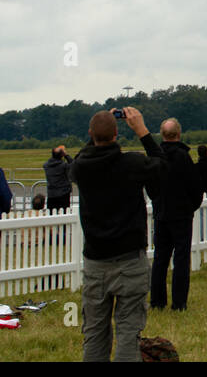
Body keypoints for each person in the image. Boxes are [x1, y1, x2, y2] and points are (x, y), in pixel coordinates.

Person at [70, 107, 168, 361]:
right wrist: (142, 131)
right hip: (129, 259)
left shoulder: (81, 168)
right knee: (128, 330)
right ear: (117, 135)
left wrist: (98, 129)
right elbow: (162, 167)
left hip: (95, 261)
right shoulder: (132, 163)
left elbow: (82, 154)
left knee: (94, 331)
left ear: (91, 135)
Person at [149, 118, 204, 309]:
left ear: (162, 134)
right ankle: (179, 302)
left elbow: (151, 185)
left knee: (160, 259)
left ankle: (157, 301)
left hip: (162, 213)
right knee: (181, 259)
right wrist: (190, 207)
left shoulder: (156, 157)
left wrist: (157, 204)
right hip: (181, 214)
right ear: (179, 134)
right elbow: (195, 186)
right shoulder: (183, 157)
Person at [43, 145, 73, 211]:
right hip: (63, 193)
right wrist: (66, 155)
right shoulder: (64, 165)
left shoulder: (46, 165)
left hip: (51, 194)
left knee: (51, 214)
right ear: (62, 155)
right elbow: (73, 165)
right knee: (64, 214)